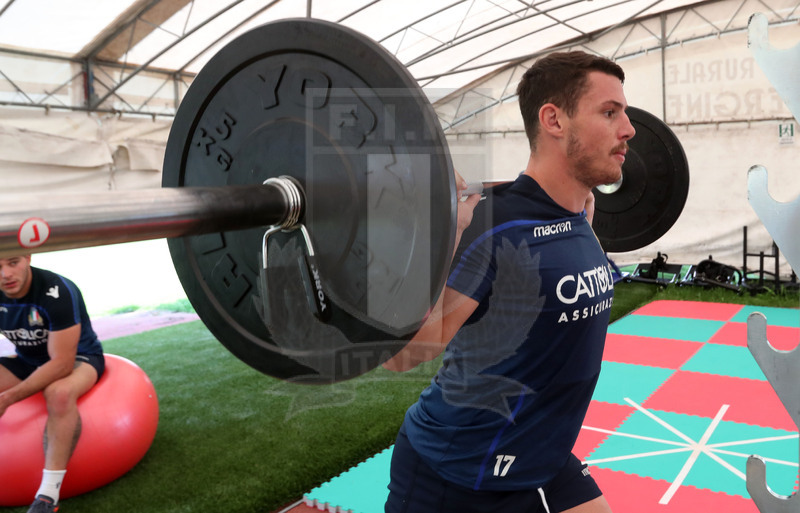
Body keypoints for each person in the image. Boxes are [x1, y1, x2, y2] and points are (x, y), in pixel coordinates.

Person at [383, 50, 636, 513]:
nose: (629, 129)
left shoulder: (579, 211)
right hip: (459, 473)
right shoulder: (491, 226)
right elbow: (403, 358)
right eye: (609, 112)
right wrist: (453, 229)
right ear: (553, 120)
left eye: (624, 113)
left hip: (541, 452)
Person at [0, 255, 105, 513]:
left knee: (59, 393)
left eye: (12, 262)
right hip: (27, 359)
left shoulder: (56, 290)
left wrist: (7, 398)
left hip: (79, 357)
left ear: (27, 258)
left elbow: (61, 364)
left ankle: (48, 496)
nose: (5, 274)